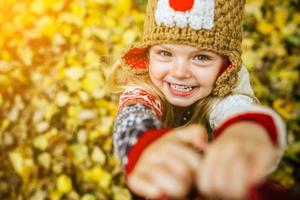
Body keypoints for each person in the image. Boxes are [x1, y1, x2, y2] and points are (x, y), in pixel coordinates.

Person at [108, 0, 286, 199]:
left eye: (201, 57)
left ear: (226, 66)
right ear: (149, 55)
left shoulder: (225, 92)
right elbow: (133, 115)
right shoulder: (143, 86)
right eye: (165, 53)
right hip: (157, 183)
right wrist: (142, 145)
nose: (180, 72)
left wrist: (247, 129)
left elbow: (237, 108)